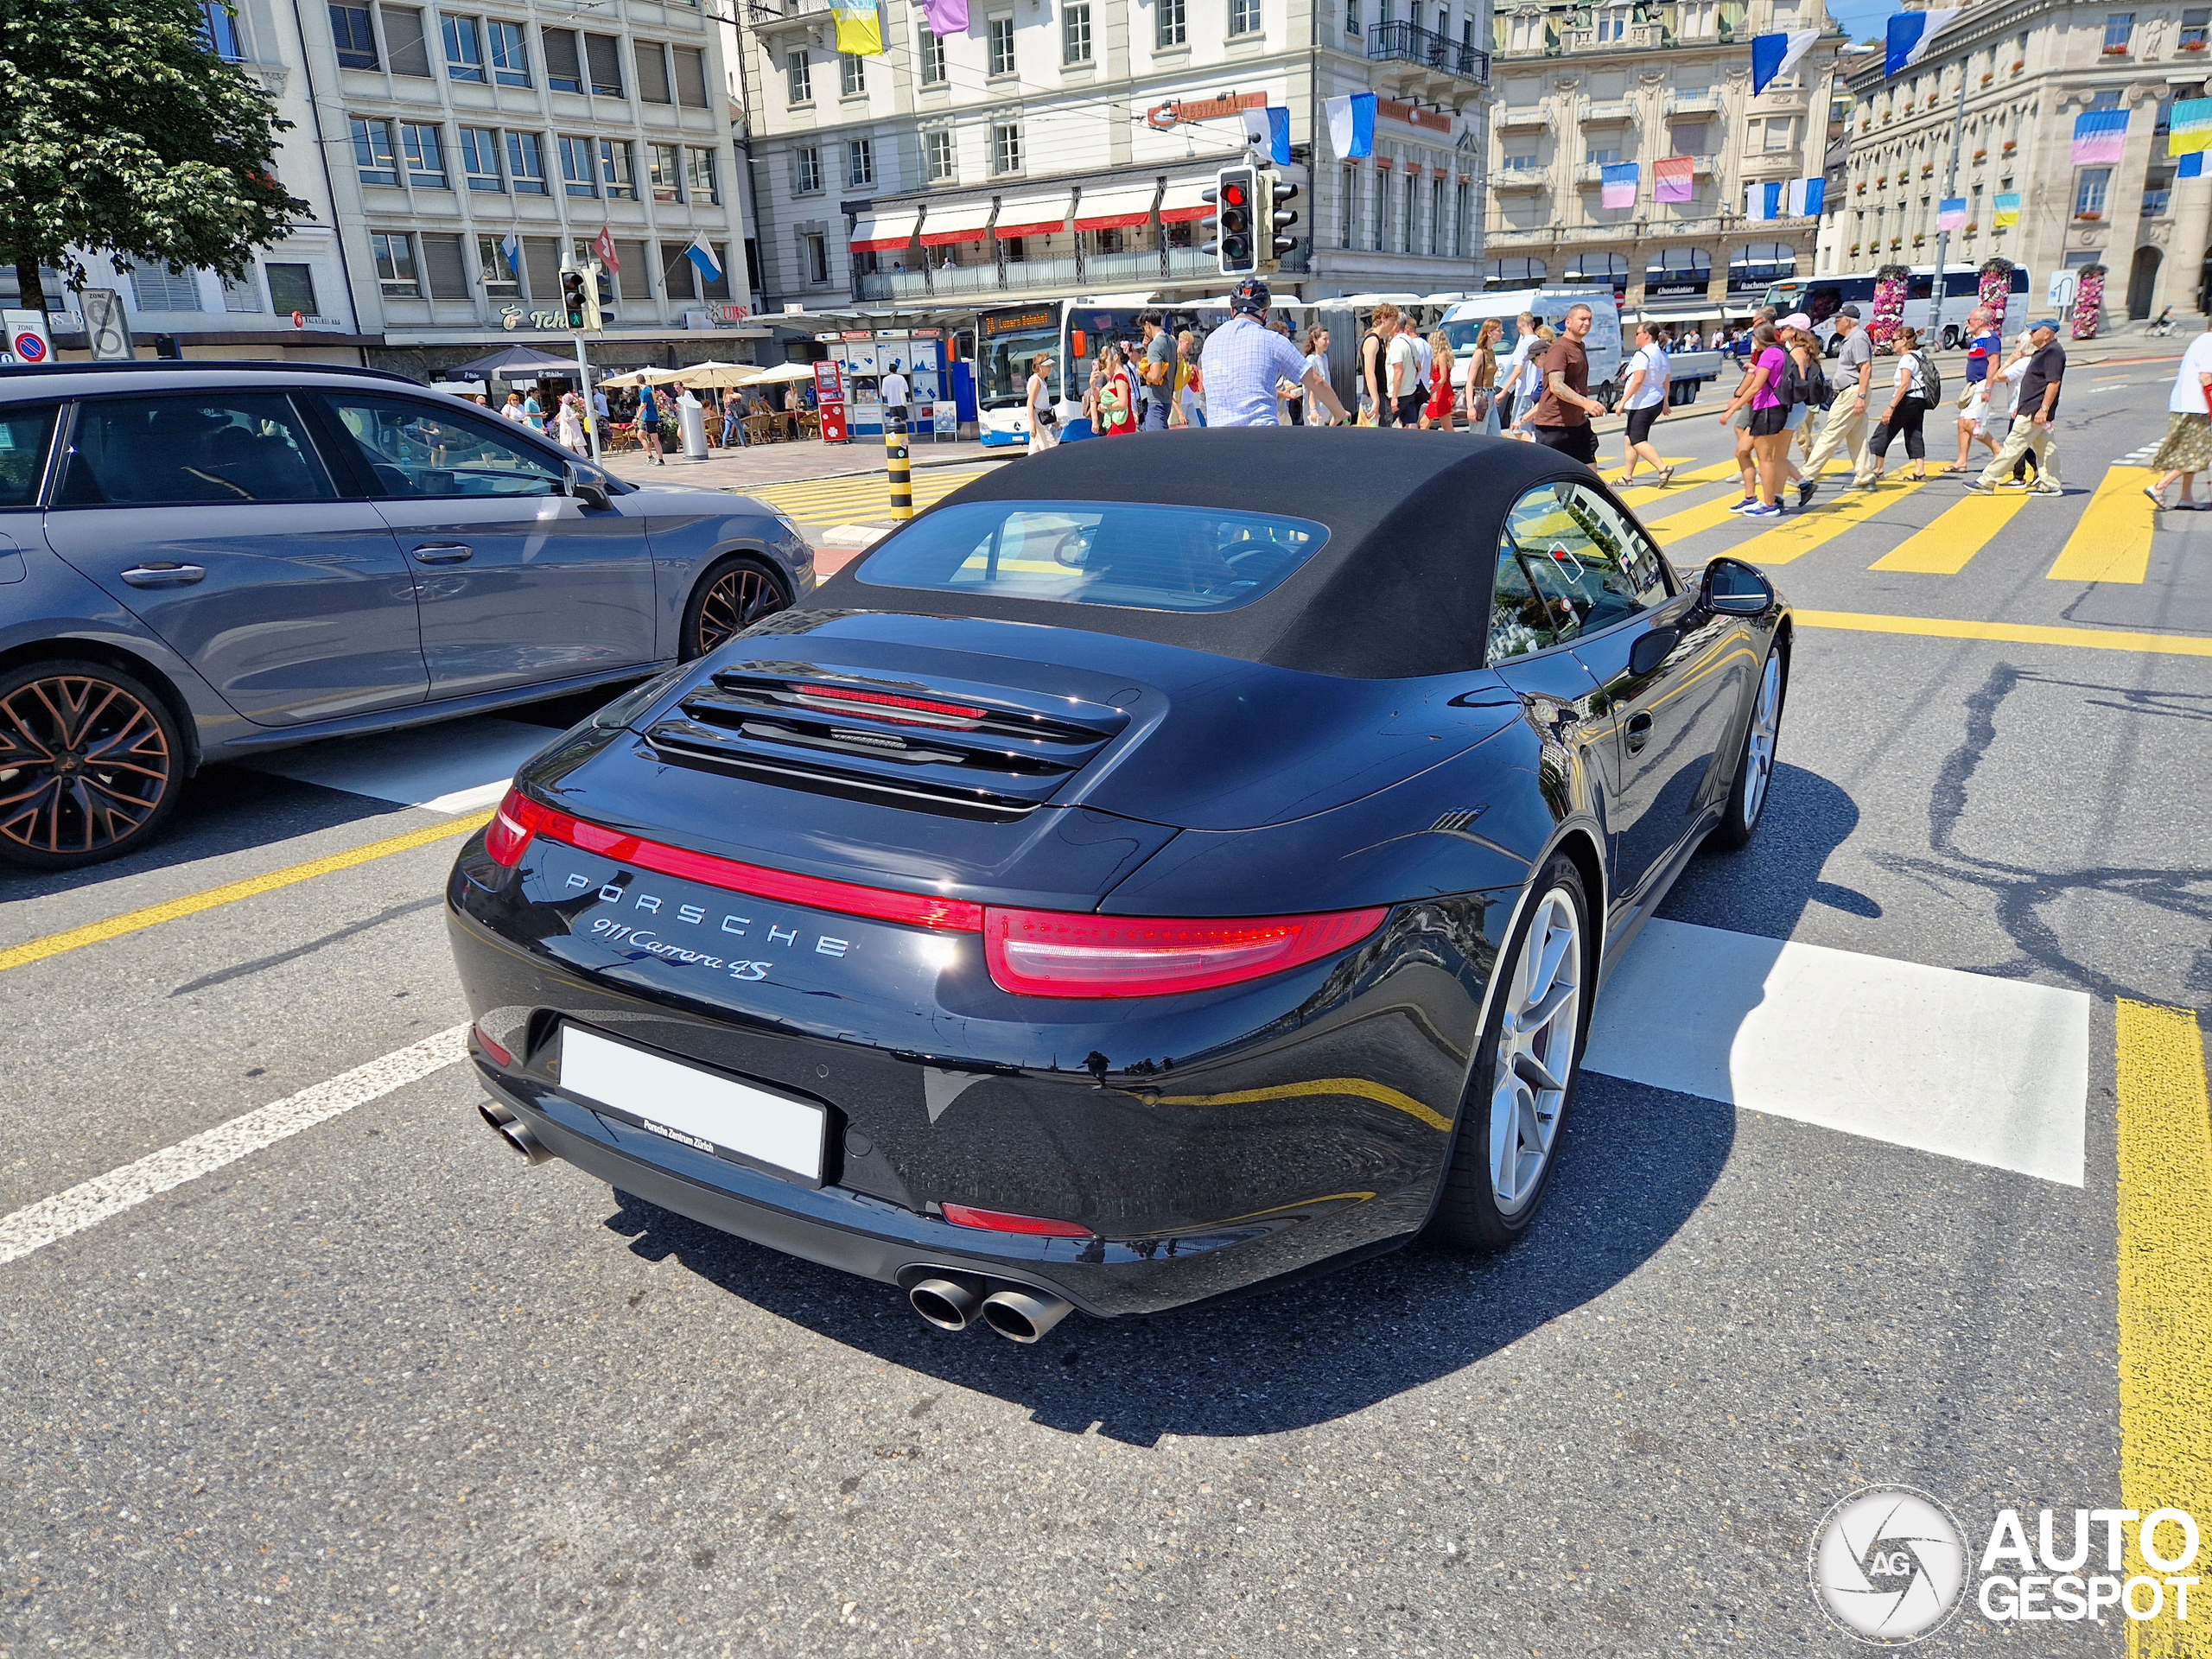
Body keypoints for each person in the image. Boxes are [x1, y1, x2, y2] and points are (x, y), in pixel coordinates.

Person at [1196, 276, 1350, 427]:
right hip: (1261, 436)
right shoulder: (1272, 340)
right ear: (1265, 313)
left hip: (1219, 438)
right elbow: (1316, 381)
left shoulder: (1210, 341)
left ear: (1232, 311)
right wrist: (1340, 414)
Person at [1967, 319, 2064, 497]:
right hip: (2030, 408)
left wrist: (2043, 409)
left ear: (2047, 334)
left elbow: (2053, 383)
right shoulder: (2043, 352)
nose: (2030, 334)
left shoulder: (2053, 353)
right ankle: (2051, 484)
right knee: (2046, 447)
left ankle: (1986, 481)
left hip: (2034, 410)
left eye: (2034, 331)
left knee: (2012, 446)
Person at [1720, 321, 1787, 516]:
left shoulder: (1769, 354)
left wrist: (1732, 410)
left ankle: (1769, 504)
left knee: (1765, 459)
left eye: (1754, 339)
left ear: (1759, 339)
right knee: (1742, 451)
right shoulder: (1779, 352)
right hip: (1769, 410)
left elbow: (1756, 386)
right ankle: (1751, 498)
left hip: (1767, 409)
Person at [1525, 302, 1605, 464]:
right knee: (1549, 478)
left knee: (1588, 476)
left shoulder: (1579, 346)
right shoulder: (1560, 348)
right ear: (1568, 322)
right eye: (1582, 319)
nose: (1587, 323)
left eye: (1589, 319)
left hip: (1577, 423)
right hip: (1554, 427)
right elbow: (1556, 386)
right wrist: (1586, 403)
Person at [2145, 321, 2212, 508]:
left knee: (2190, 450)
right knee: (2199, 453)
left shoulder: (2203, 340)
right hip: (2196, 407)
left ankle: (2186, 497)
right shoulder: (2210, 343)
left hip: (2187, 404)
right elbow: (2206, 378)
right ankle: (2159, 486)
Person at [1861, 326, 1935, 485]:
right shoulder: (1919, 355)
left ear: (1903, 341)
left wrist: (1891, 408)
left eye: (1894, 340)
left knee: (1884, 430)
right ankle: (1920, 471)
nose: (1892, 343)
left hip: (1906, 400)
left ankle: (1878, 469)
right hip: (1919, 400)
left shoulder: (1907, 359)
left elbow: (1904, 385)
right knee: (1914, 432)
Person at [1616, 319, 1672, 485]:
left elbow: (1638, 380)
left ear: (1646, 335)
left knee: (1637, 440)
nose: (1636, 337)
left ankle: (1663, 468)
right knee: (1629, 438)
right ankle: (1627, 477)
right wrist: (1666, 401)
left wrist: (1622, 402)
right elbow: (1666, 380)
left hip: (1642, 403)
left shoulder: (1643, 354)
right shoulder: (1662, 354)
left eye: (1638, 333)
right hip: (1655, 400)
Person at [1493, 311, 1541, 429]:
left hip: (1524, 390)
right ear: (1533, 324)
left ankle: (1532, 447)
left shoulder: (1523, 344)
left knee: (1518, 429)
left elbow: (1518, 369)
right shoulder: (1539, 342)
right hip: (1537, 390)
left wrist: (1503, 392)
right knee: (1530, 428)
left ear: (1519, 326)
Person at [1360, 304, 1400, 425]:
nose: (1394, 324)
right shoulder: (1372, 341)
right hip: (1372, 396)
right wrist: (1375, 400)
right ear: (1383, 318)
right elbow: (1369, 372)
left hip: (1379, 395)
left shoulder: (1379, 340)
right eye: (1392, 320)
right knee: (1375, 437)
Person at [1464, 318, 1501, 435]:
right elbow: (1470, 382)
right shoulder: (1479, 353)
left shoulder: (1491, 352)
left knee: (1495, 436)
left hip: (1491, 395)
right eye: (1499, 330)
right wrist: (1470, 407)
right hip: (1480, 397)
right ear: (1489, 333)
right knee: (1478, 436)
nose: (1502, 333)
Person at [1290, 326, 1329, 427]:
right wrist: (1313, 409)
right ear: (1315, 341)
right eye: (1325, 339)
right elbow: (1311, 387)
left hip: (1325, 407)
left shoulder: (1324, 358)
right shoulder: (1311, 360)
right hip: (1315, 412)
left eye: (1328, 339)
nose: (1328, 342)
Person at [1097, 341, 1137, 437]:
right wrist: (1092, 383)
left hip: (1123, 426)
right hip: (1118, 424)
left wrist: (1106, 407)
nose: (1106, 360)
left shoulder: (1120, 377)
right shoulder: (1115, 377)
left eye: (1108, 357)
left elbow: (1123, 403)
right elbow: (1100, 394)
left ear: (1115, 357)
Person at [1025, 351, 1060, 454]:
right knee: (1050, 447)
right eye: (1047, 365)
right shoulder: (1036, 381)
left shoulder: (1042, 381)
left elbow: (1044, 404)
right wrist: (1033, 424)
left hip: (1043, 416)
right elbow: (1030, 403)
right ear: (1040, 367)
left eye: (1050, 365)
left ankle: (1029, 468)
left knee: (1035, 451)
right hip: (1038, 417)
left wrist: (1054, 421)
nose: (1050, 368)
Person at [1420, 330, 1455, 430]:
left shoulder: (1441, 356)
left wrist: (1432, 391)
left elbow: (1442, 378)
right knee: (1446, 424)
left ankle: (1421, 444)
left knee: (1424, 422)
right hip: (1440, 390)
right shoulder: (1438, 356)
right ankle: (1457, 443)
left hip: (1441, 391)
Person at [1175, 330, 1206, 427]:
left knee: (1196, 427)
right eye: (1187, 344)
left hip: (1189, 400)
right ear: (1180, 342)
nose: (1189, 347)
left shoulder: (1184, 358)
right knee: (1181, 429)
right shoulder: (1176, 358)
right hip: (1180, 401)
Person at [637, 380, 665, 465]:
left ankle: (659, 459)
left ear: (638, 382)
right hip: (651, 417)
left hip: (649, 418)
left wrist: (637, 417)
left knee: (654, 439)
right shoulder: (650, 390)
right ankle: (650, 456)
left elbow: (643, 406)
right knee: (640, 435)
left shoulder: (644, 392)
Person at [555, 391, 587, 455]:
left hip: (573, 428)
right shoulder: (564, 407)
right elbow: (566, 418)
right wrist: (575, 415)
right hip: (569, 429)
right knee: (569, 444)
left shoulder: (568, 406)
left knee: (578, 443)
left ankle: (585, 457)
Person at [879, 359, 909, 426]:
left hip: (891, 403)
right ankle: (905, 434)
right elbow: (906, 390)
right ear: (896, 370)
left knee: (894, 420)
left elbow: (884, 393)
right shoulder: (901, 378)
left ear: (889, 370)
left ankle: (895, 435)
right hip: (901, 403)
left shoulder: (885, 379)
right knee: (903, 420)